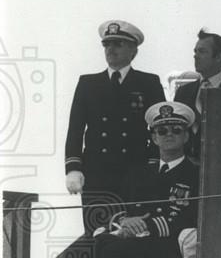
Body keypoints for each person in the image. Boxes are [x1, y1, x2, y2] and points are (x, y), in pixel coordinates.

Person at [52, 102, 200, 258]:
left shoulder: (196, 174)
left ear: (186, 135)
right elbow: (120, 208)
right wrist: (123, 221)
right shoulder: (139, 173)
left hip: (165, 247)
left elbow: (189, 217)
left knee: (114, 251)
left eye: (176, 130)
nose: (169, 136)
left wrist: (144, 224)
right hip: (128, 241)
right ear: (153, 137)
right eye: (162, 131)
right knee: (77, 254)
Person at [64, 20, 165, 232]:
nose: (111, 49)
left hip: (135, 174)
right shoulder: (88, 84)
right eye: (107, 44)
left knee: (134, 235)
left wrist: (154, 165)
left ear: (133, 51)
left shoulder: (148, 83)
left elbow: (159, 128)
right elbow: (75, 129)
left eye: (118, 44)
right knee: (98, 233)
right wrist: (73, 168)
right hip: (97, 174)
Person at [174, 29, 221, 161]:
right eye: (195, 51)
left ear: (219, 56)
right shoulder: (183, 92)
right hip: (187, 168)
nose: (195, 56)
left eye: (202, 51)